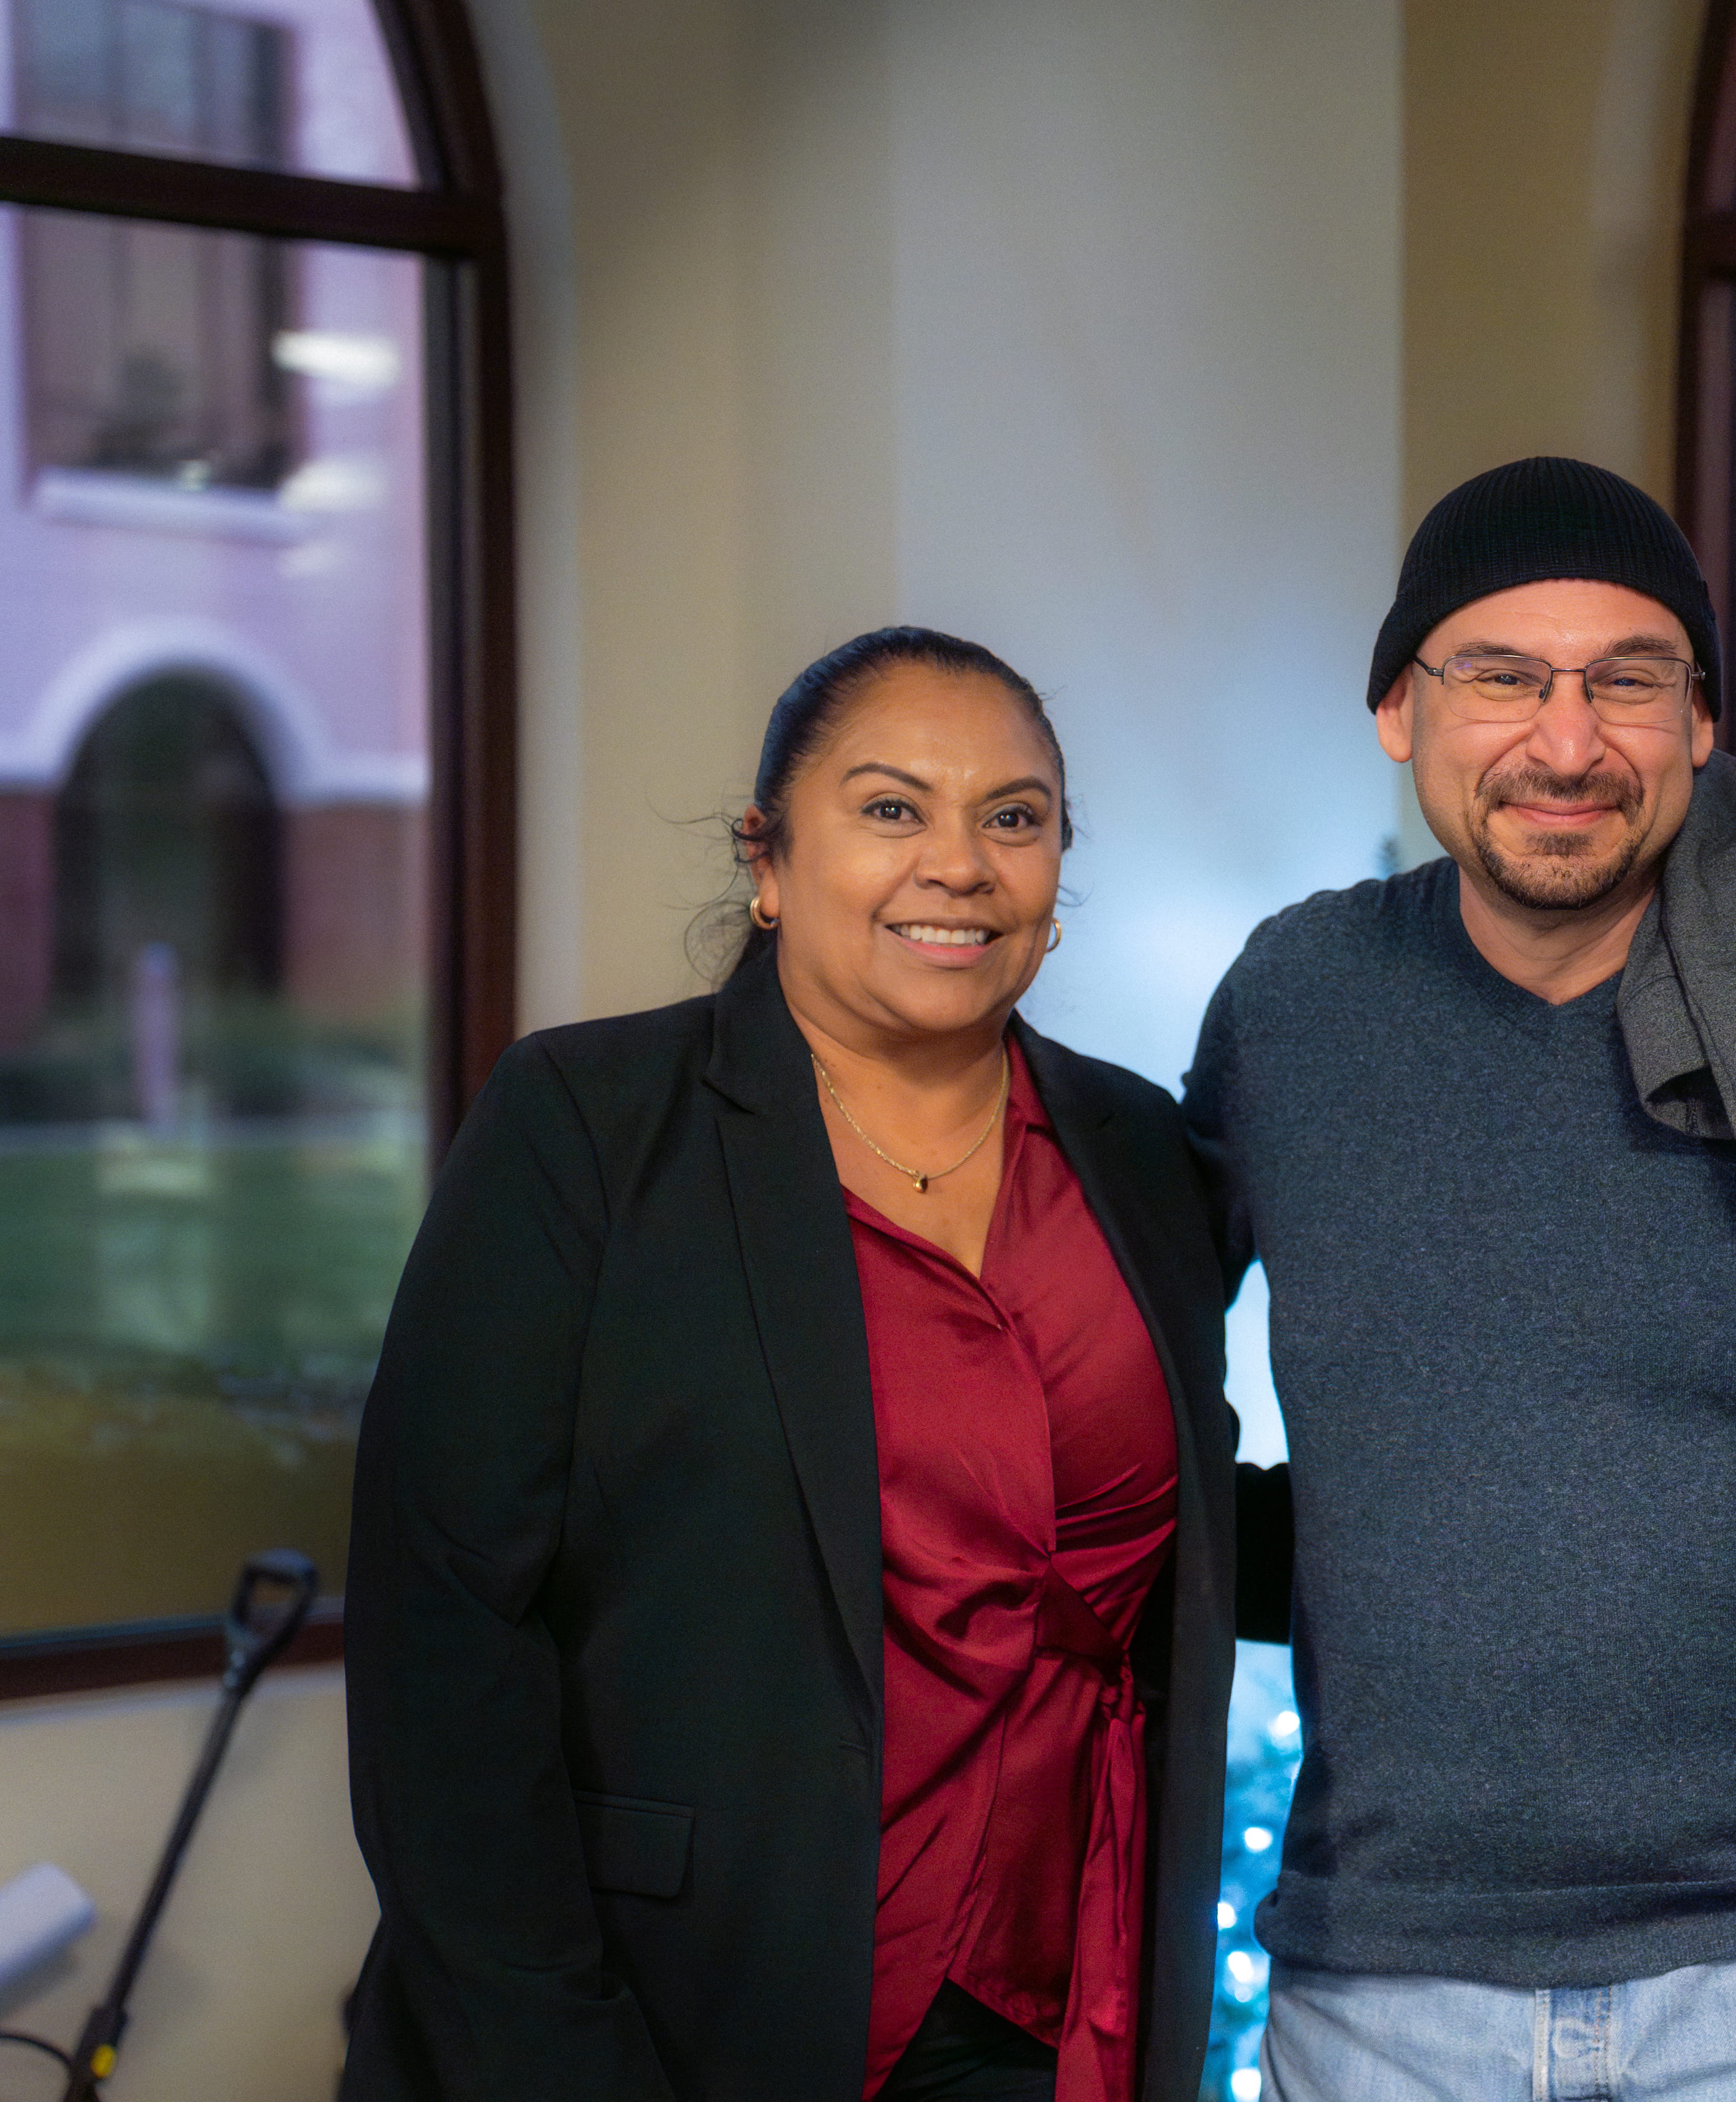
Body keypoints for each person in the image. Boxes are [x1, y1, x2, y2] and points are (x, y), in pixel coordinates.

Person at [1186, 456, 1736, 2102]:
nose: (1568, 741)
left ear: (1699, 722)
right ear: (1398, 709)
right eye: (1502, 678)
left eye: (1629, 681)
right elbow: (1110, 1364)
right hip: (1382, 1986)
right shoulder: (1295, 1005)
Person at [344, 628, 1240, 2102]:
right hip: (674, 2013)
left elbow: (1189, 1540)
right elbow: (442, 1649)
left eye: (1013, 819)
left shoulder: (1138, 1149)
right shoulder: (587, 1128)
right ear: (767, 858)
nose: (958, 864)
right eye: (892, 809)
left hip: (1058, 1992)